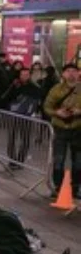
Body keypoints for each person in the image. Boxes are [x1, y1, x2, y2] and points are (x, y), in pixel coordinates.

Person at [44, 63, 81, 196]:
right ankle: (58, 187)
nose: (71, 74)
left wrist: (79, 112)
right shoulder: (56, 89)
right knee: (58, 159)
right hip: (60, 129)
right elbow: (47, 106)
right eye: (68, 71)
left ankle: (76, 188)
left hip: (78, 130)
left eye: (74, 71)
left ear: (78, 73)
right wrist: (57, 113)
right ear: (64, 74)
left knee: (78, 161)